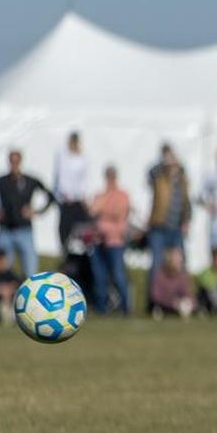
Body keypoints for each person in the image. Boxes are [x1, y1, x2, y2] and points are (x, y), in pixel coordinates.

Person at [0, 149, 56, 277]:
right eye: (12, 161)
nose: (14, 165)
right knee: (3, 271)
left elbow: (50, 196)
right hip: (5, 230)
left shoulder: (30, 181)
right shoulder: (0, 181)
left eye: (16, 162)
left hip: (24, 230)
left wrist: (36, 211)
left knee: (30, 270)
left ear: (21, 162)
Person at [146, 144, 191, 296]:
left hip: (176, 229)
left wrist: (186, 221)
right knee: (157, 263)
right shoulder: (159, 178)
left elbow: (186, 204)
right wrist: (164, 161)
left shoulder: (182, 181)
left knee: (180, 263)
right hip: (159, 228)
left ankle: (181, 298)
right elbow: (150, 172)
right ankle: (154, 299)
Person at [88, 165, 132, 316]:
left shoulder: (123, 195)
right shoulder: (100, 195)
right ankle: (101, 308)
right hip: (98, 241)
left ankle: (125, 308)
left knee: (119, 275)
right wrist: (106, 198)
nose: (110, 180)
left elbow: (119, 214)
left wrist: (105, 215)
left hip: (115, 242)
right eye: (108, 176)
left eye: (112, 176)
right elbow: (93, 211)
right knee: (100, 276)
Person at [53, 131, 90, 254]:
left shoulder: (82, 157)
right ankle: (65, 251)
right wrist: (65, 194)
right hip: (66, 200)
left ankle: (81, 251)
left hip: (78, 200)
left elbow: (83, 178)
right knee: (65, 228)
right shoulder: (63, 156)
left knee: (82, 227)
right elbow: (61, 176)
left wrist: (83, 195)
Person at [150, 246, 196, 319]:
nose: (180, 262)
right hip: (163, 307)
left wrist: (188, 303)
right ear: (169, 260)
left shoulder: (182, 277)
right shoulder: (160, 275)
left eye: (180, 260)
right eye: (176, 260)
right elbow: (156, 296)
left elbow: (189, 294)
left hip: (179, 306)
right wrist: (172, 302)